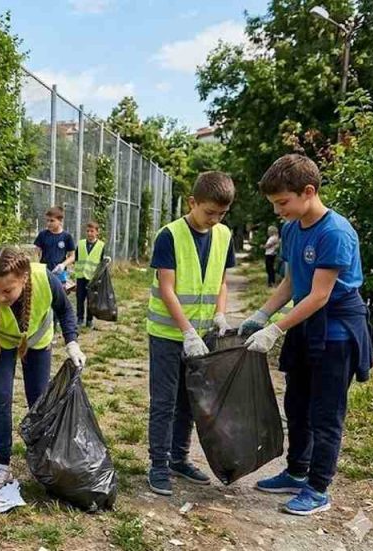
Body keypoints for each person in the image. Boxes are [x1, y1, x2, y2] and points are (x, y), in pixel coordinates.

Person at [240, 154, 371, 516]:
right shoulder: (291, 228)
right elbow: (293, 280)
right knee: (295, 404)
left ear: (308, 191)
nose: (279, 211)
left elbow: (320, 294)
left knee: (325, 412)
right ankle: (297, 471)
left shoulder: (335, 232)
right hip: (304, 323)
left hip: (336, 330)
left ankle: (318, 488)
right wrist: (263, 313)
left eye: (283, 202)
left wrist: (276, 329)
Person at [0, 246, 85, 488]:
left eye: (7, 290)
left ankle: (43, 460)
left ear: (23, 279)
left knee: (38, 401)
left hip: (37, 342)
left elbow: (65, 310)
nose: (0, 297)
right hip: (2, 343)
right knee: (0, 397)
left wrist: (72, 343)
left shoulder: (45, 279)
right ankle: (2, 465)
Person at [145, 171, 236, 496]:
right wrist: (186, 331)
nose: (214, 219)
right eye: (209, 212)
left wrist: (220, 314)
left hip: (202, 335)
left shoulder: (224, 235)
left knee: (190, 400)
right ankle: (158, 464)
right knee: (165, 401)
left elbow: (222, 281)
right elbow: (167, 289)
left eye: (221, 214)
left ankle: (179, 459)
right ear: (192, 202)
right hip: (169, 334)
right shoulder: (170, 236)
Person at [73, 221, 107, 328]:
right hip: (81, 276)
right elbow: (77, 258)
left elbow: (101, 262)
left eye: (92, 231)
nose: (89, 233)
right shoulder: (81, 243)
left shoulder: (101, 245)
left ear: (97, 232)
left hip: (93, 278)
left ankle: (89, 319)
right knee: (80, 298)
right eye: (87, 231)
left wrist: (99, 277)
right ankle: (79, 318)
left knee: (91, 299)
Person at [33, 207, 75, 284]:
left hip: (60, 273)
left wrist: (63, 265)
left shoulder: (67, 237)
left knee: (59, 294)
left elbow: (72, 256)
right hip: (44, 271)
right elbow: (36, 252)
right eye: (47, 220)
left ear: (60, 221)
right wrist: (37, 266)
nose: (48, 223)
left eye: (52, 221)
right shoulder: (43, 234)